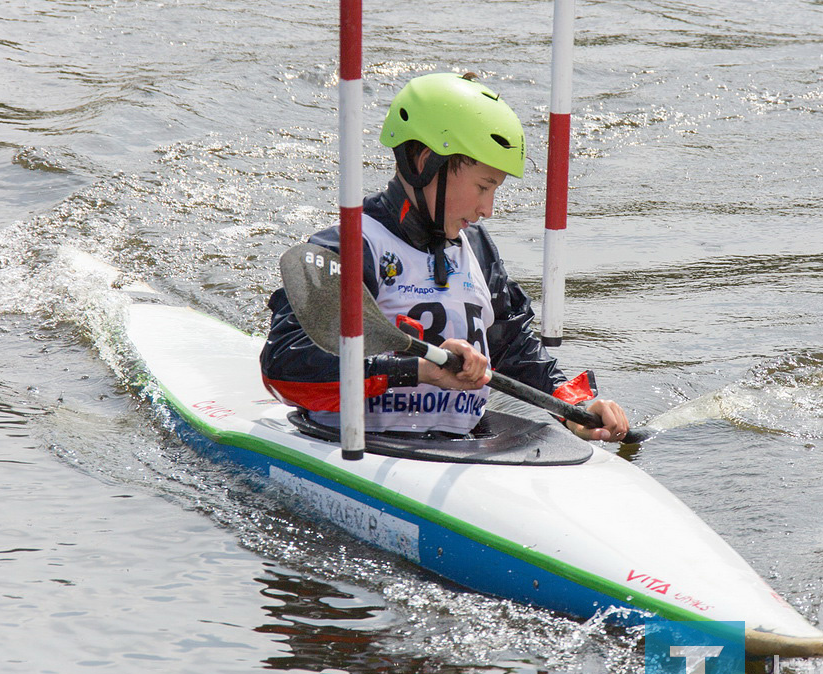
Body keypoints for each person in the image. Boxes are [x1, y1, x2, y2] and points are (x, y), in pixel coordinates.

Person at [260, 72, 628, 442]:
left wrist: (573, 405)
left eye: (495, 189)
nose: (488, 208)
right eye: (483, 187)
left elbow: (512, 345)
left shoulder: (477, 249)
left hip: (456, 448)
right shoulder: (352, 249)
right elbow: (284, 370)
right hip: (358, 448)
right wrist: (415, 369)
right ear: (424, 163)